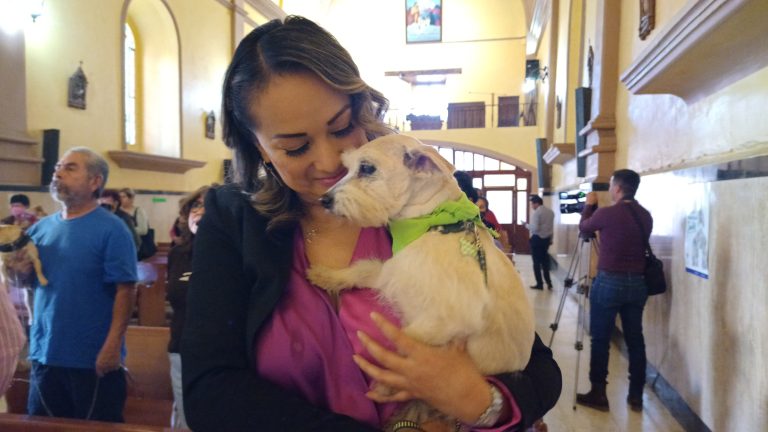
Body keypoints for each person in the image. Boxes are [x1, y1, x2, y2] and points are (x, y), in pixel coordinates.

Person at [182, 16, 561, 432]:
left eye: (342, 128)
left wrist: (476, 400)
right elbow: (210, 394)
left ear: (362, 108)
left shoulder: (424, 201)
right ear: (260, 148)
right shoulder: (233, 220)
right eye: (295, 146)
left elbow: (537, 366)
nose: (329, 164)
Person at [5, 147, 138, 421]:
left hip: (92, 356)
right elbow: (27, 284)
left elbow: (125, 291)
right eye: (57, 168)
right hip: (45, 353)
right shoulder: (40, 229)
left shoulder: (112, 229)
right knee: (42, 427)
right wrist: (18, 274)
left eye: (70, 168)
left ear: (95, 182)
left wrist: (113, 346)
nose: (58, 173)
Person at [576, 169, 652, 413]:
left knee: (601, 339)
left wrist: (589, 206)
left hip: (609, 282)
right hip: (638, 284)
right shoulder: (645, 216)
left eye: (611, 185)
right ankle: (636, 395)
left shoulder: (607, 214)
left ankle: (599, 392)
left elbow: (585, 228)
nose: (610, 189)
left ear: (618, 188)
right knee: (635, 340)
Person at [166, 185, 210, 430]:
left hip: (223, 354)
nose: (200, 211)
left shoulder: (237, 254)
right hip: (182, 350)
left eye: (208, 205)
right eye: (196, 205)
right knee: (186, 422)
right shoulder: (179, 254)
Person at [524, 195, 554, 290]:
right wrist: (551, 239)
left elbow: (535, 229)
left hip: (537, 240)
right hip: (546, 240)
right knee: (545, 262)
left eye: (532, 204)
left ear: (536, 203)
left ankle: (539, 284)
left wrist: (526, 225)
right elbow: (551, 228)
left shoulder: (537, 213)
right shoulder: (551, 212)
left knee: (536, 263)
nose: (532, 206)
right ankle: (549, 283)